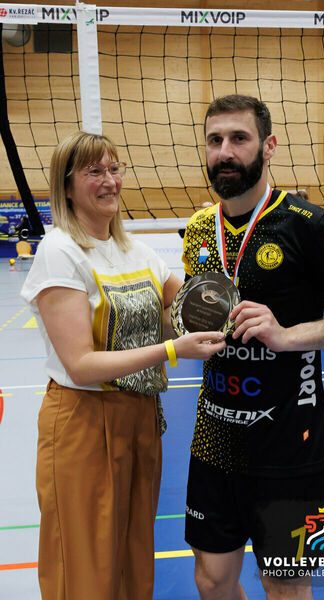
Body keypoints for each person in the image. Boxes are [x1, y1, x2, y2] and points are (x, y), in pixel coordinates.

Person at [181, 94, 324, 600]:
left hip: (290, 448)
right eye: (214, 140)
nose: (225, 152)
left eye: (239, 138)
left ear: (268, 146)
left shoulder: (308, 224)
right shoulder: (198, 229)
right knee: (211, 581)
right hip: (214, 439)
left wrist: (285, 336)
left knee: (286, 587)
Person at [20, 131, 226, 600]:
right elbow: (81, 364)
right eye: (94, 171)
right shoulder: (60, 252)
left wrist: (233, 291)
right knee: (86, 569)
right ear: (67, 186)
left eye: (115, 169)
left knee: (133, 560)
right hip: (84, 420)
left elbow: (188, 309)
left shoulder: (138, 251)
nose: (110, 181)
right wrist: (172, 350)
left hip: (141, 419)